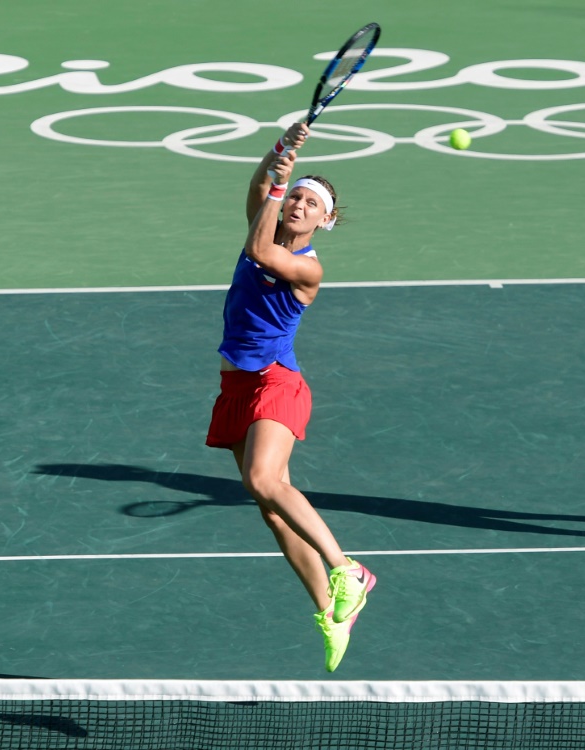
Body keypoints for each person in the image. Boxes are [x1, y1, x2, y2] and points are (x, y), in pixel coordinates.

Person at [205, 121, 376, 670]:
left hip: (277, 382)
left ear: (325, 220)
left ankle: (348, 569)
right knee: (273, 513)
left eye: (310, 202)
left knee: (264, 480)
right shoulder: (270, 216)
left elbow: (259, 244)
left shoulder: (306, 268)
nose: (298, 204)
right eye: (296, 196)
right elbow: (257, 192)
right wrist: (280, 154)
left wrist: (278, 186)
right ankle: (333, 612)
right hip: (236, 385)